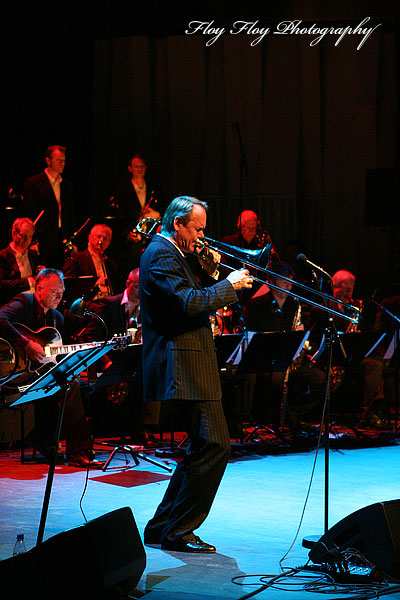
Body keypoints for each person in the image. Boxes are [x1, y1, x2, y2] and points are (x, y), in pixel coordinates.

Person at [140, 196, 253, 553]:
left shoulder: (177, 253)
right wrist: (228, 287)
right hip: (183, 364)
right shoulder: (160, 253)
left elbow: (195, 293)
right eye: (198, 228)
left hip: (193, 362)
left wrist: (215, 270)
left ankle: (162, 526)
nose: (203, 235)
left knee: (201, 447)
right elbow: (188, 301)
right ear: (178, 224)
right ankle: (179, 530)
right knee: (216, 444)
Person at [0, 269, 96, 467]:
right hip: (15, 374)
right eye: (55, 292)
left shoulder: (57, 318)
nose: (60, 297)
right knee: (71, 386)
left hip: (37, 374)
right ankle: (77, 451)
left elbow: (55, 355)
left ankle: (43, 437)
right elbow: (0, 318)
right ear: (39, 289)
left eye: (62, 292)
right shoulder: (24, 302)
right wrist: (25, 343)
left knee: (83, 385)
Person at [242, 261, 325, 430]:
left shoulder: (294, 305)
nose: (289, 284)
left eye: (290, 279)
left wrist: (300, 335)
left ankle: (293, 416)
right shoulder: (256, 305)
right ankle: (280, 420)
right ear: (271, 281)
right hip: (265, 361)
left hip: (289, 360)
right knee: (278, 380)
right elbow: (249, 338)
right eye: (283, 279)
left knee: (321, 379)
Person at [111, 153, 166, 276]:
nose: (139, 169)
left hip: (150, 239)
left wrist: (156, 214)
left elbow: (163, 211)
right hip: (131, 242)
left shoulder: (154, 189)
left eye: (142, 166)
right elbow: (120, 217)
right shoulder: (123, 190)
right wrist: (127, 234)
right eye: (136, 166)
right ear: (130, 168)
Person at [22, 145, 76, 268]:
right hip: (43, 239)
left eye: (64, 160)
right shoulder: (34, 183)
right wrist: (33, 240)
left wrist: (72, 239)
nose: (62, 163)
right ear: (48, 161)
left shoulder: (66, 185)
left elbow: (70, 214)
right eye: (58, 160)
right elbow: (29, 213)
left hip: (61, 239)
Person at [62, 223, 121, 300]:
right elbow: (68, 286)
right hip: (87, 303)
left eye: (105, 238)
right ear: (89, 237)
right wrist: (94, 284)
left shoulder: (111, 264)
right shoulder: (76, 259)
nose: (101, 240)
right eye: (99, 236)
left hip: (108, 303)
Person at [0, 217, 45, 306]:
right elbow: (1, 285)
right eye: (23, 236)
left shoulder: (33, 255)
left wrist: (41, 272)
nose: (27, 240)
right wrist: (28, 282)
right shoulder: (3, 256)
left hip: (33, 303)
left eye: (30, 236)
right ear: (13, 234)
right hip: (13, 304)